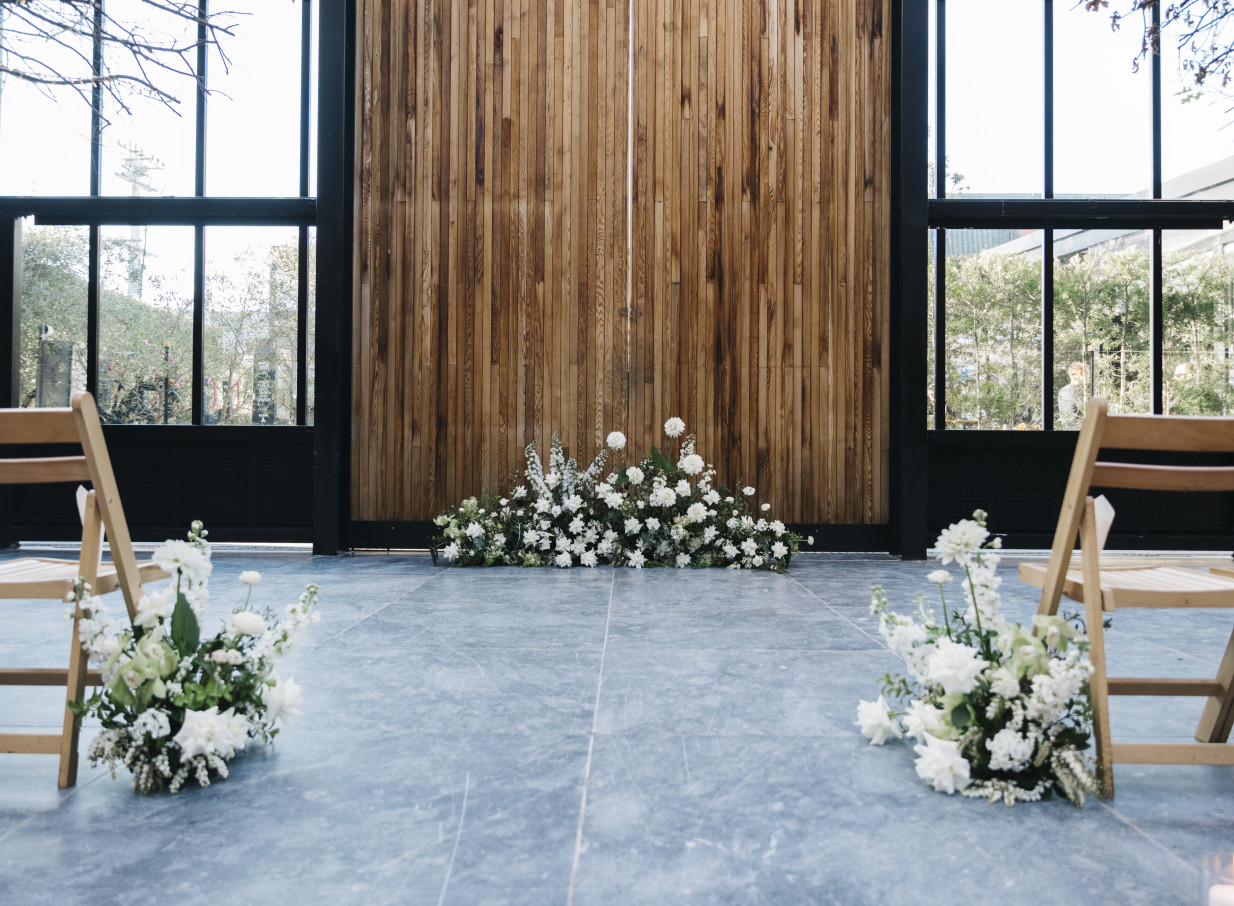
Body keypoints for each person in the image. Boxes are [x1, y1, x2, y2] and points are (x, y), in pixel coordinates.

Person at [1057, 361, 1087, 428]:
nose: (1088, 378)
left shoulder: (1062, 390)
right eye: (1087, 374)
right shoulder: (1077, 391)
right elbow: (1088, 411)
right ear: (1080, 373)